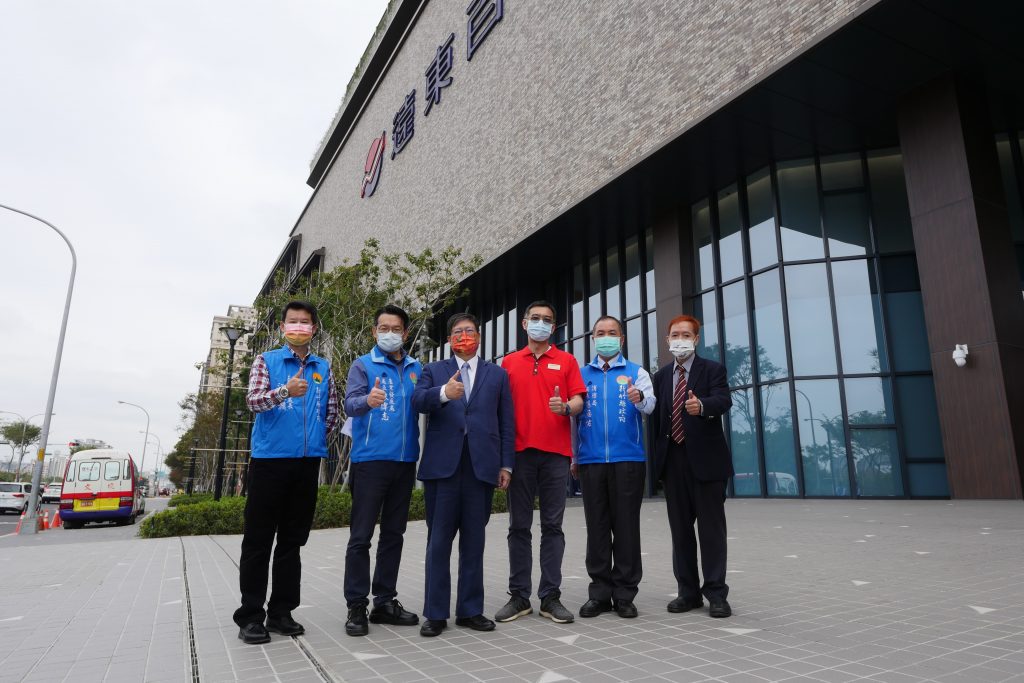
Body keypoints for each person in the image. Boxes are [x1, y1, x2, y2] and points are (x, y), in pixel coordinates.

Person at [234, 300, 339, 645]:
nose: (299, 327)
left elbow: (331, 413)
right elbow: (253, 401)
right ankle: (251, 616)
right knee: (258, 540)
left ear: (314, 328)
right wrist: (284, 392)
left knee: (292, 541)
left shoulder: (323, 366)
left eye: (305, 322)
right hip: (270, 462)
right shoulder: (266, 360)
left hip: (307, 464)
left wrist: (315, 438)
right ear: (282, 327)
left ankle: (281, 612)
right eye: (293, 321)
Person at [411, 313, 515, 637]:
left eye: (470, 330)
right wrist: (444, 393)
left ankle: (470, 610)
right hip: (443, 469)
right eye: (458, 331)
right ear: (449, 339)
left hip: (481, 468)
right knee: (438, 543)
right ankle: (435, 613)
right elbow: (418, 401)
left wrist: (506, 465)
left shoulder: (497, 374)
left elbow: (506, 423)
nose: (464, 336)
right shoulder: (433, 370)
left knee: (474, 542)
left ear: (479, 336)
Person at [496, 301, 586, 624]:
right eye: (535, 318)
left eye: (547, 319)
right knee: (518, 527)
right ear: (524, 323)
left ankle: (550, 596)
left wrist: (566, 407)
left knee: (552, 527)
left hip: (555, 456)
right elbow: (499, 409)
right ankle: (519, 596)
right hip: (519, 454)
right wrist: (502, 460)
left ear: (554, 327)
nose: (541, 323)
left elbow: (578, 399)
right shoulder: (508, 362)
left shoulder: (567, 360)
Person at [342, 304, 422, 636]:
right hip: (370, 462)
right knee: (361, 537)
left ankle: (385, 601)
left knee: (393, 535)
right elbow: (349, 404)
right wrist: (367, 401)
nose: (390, 333)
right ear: (374, 332)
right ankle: (356, 606)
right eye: (384, 328)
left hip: (405, 462)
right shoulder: (362, 365)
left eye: (396, 328)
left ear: (406, 333)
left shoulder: (417, 368)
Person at [650, 315, 734, 618]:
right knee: (681, 532)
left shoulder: (712, 369)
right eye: (675, 335)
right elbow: (656, 421)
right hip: (673, 461)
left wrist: (703, 407)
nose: (680, 339)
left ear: (696, 339)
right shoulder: (660, 377)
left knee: (712, 532)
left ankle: (716, 594)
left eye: (686, 335)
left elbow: (723, 400)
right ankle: (688, 592)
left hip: (707, 463)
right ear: (667, 340)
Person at [573, 316, 655, 619]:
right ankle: (599, 594)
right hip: (591, 461)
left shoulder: (637, 372)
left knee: (626, 528)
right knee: (596, 528)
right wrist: (574, 457)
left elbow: (650, 405)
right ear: (593, 338)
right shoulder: (581, 375)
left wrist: (639, 397)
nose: (606, 337)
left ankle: (624, 595)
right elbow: (572, 419)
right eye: (600, 333)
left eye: (612, 333)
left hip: (628, 461)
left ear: (621, 338)